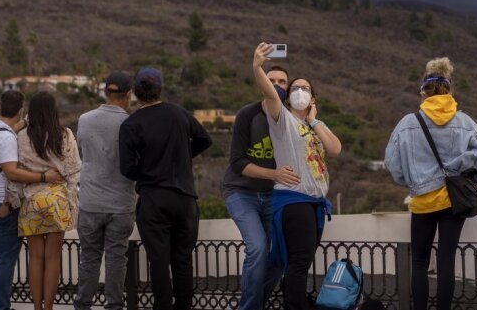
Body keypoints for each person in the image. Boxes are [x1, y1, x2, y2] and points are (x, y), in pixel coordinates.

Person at [385, 57, 477, 310]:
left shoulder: (408, 123)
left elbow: (392, 164)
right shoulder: (465, 122)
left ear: (424, 91)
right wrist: (466, 173)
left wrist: (413, 181)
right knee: (447, 263)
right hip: (453, 202)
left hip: (422, 201)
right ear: (449, 90)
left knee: (420, 263)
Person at [252, 43, 342, 310]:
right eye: (295, 88)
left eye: (306, 89)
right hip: (294, 200)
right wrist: (257, 66)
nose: (300, 92)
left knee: (300, 262)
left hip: (313, 204)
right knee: (299, 263)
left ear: (313, 98)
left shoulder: (315, 125)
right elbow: (269, 93)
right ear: (287, 96)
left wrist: (314, 121)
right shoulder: (282, 119)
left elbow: (336, 149)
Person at [119, 68, 212, 310]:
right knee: (182, 260)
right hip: (184, 199)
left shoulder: (131, 124)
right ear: (161, 89)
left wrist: (148, 169)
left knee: (158, 262)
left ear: (136, 93)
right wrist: (183, 158)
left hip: (153, 199)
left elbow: (127, 168)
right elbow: (205, 139)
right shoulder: (178, 113)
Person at [0, 90, 64, 310]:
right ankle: (1, 307)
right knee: (5, 261)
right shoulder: (8, 137)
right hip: (3, 205)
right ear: (20, 110)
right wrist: (45, 177)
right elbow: (12, 173)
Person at [222, 65, 295, 310]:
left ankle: (253, 304)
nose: (276, 84)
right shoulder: (247, 115)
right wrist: (273, 174)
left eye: (282, 81)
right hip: (241, 192)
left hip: (272, 196)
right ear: (261, 82)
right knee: (258, 247)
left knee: (278, 256)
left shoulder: (289, 119)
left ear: (288, 87)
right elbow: (238, 162)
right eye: (270, 79)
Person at [7, 91, 82, 310]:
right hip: (56, 201)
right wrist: (71, 203)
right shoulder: (65, 135)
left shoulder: (21, 136)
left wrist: (13, 200)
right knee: (53, 258)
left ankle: (36, 308)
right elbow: (74, 171)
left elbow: (15, 173)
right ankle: (48, 307)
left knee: (36, 258)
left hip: (31, 201)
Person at [74, 72, 138, 310]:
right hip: (121, 203)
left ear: (105, 92)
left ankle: (82, 305)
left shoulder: (85, 119)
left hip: (90, 201)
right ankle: (114, 305)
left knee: (88, 259)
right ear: (128, 94)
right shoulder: (131, 123)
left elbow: (83, 151)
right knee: (116, 258)